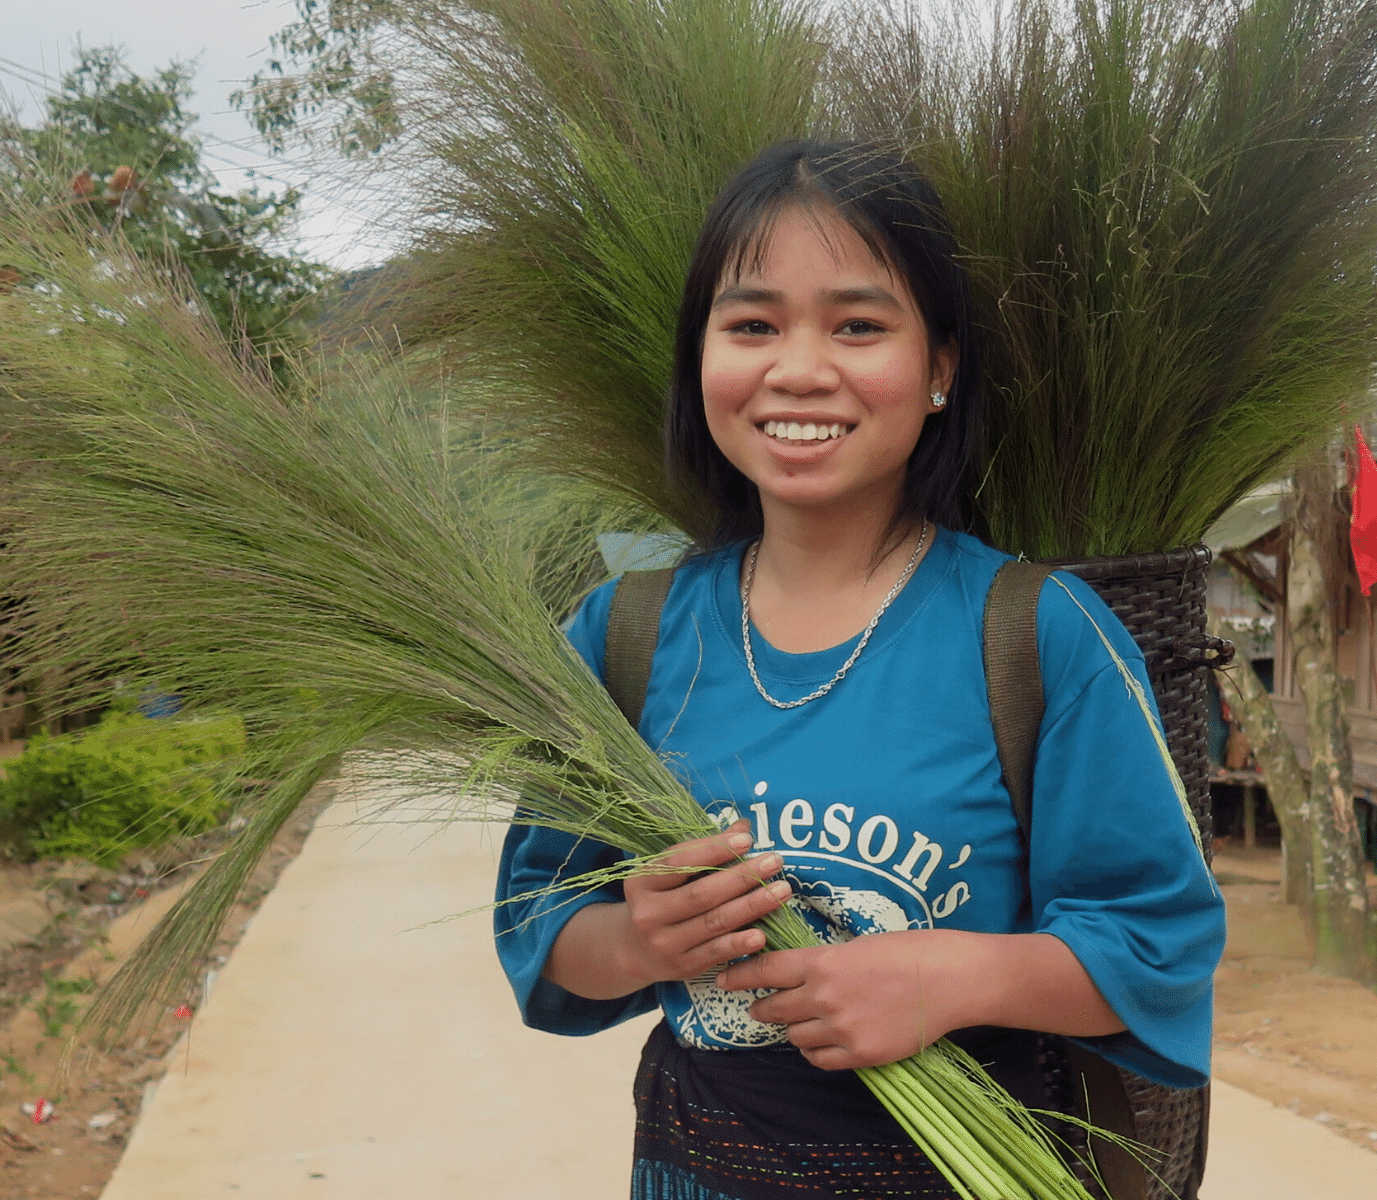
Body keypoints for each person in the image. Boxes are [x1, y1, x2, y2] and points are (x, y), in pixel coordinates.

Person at [495, 140, 1225, 1200]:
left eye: (858, 324)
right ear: (700, 357)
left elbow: (1157, 947)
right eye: (751, 324)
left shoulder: (1039, 634)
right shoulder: (624, 634)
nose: (798, 368)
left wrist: (950, 976)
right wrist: (643, 936)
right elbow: (541, 931)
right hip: (692, 1171)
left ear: (939, 368)